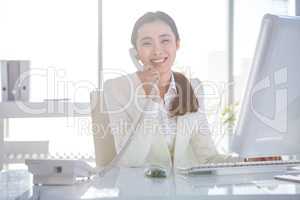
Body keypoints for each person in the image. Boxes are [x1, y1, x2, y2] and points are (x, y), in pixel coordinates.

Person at [103, 11, 279, 169]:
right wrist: (151, 100)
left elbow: (208, 158)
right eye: (147, 43)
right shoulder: (116, 89)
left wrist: (248, 162)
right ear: (136, 53)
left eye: (165, 40)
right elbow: (129, 162)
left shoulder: (192, 87)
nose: (157, 50)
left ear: (177, 45)